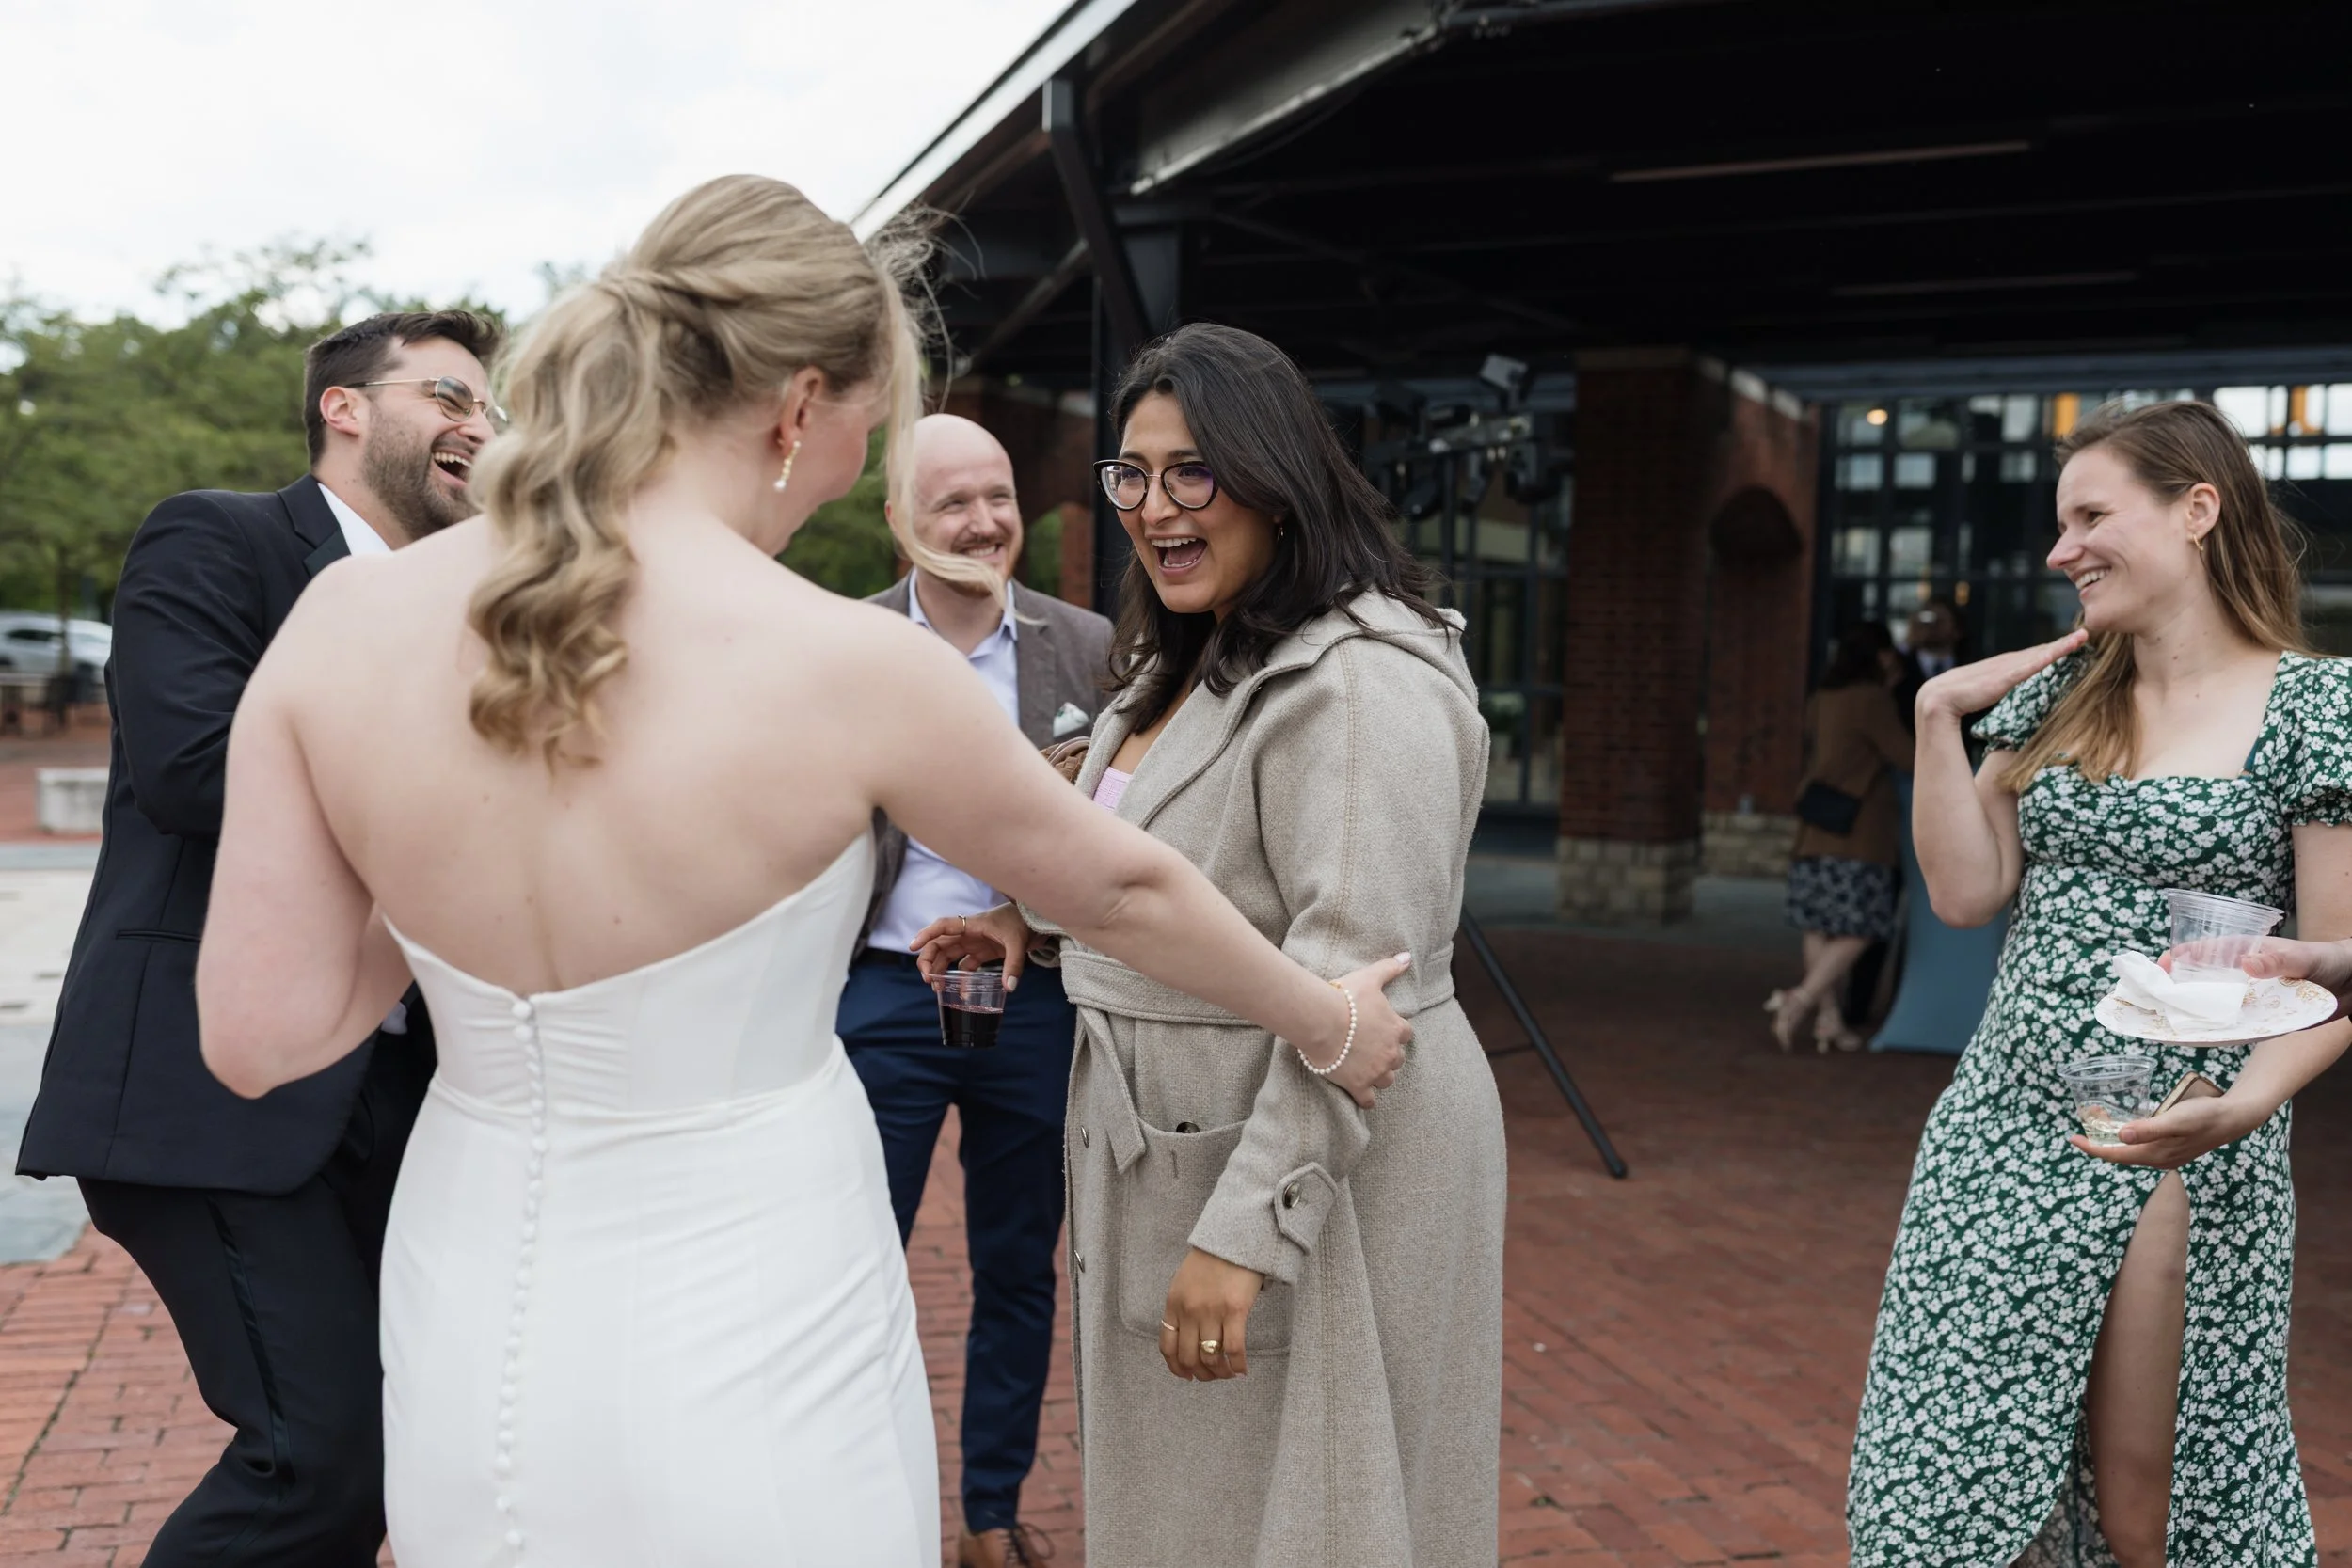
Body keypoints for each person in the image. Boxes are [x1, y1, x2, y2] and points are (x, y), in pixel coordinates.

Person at [190, 176, 1410, 1568]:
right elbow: (1119, 889)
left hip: (467, 1277)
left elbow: (256, 1037)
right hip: (752, 1279)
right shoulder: (848, 663)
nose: (853, 465)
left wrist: (451, 877)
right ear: (796, 406)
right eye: (866, 429)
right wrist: (1331, 1019)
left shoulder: (345, 615)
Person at [914, 322, 1507, 1568]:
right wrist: (1029, 920)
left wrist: (1247, 1230)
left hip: (1302, 1158)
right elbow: (1161, 854)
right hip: (1180, 1131)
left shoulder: (1360, 683)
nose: (1152, 504)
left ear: (1278, 474)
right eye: (1131, 473)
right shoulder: (1186, 655)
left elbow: (1361, 1005)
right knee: (1206, 1507)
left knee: (1311, 1509)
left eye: (1194, 470)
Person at [12, 309, 499, 1566]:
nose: (479, 426)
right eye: (450, 393)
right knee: (317, 1460)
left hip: (401, 1088)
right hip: (210, 1090)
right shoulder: (213, 537)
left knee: (399, 1451)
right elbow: (191, 766)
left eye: (491, 411)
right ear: (346, 406)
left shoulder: (478, 600)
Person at [1847, 400, 2352, 1567]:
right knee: (1951, 1472)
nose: (2059, 550)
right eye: (2056, 522)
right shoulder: (2064, 690)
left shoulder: (2317, 710)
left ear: (2195, 509)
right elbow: (1967, 892)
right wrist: (1934, 717)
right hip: (2002, 1123)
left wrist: (2245, 1106)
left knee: (2149, 1504)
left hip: (2171, 1137)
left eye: (2088, 516)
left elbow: (2335, 973)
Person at [839, 411, 1112, 1568]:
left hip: (1036, 996)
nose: (984, 520)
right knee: (854, 1264)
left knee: (1018, 1261)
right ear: (901, 520)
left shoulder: (1090, 647)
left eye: (997, 494)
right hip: (883, 999)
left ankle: (989, 1514)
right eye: (952, 500)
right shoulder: (841, 647)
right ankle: (863, 1508)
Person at [1770, 620, 1914, 1053]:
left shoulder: (1823, 697)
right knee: (1863, 927)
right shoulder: (1871, 699)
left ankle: (1828, 1023)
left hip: (1815, 826)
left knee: (1819, 926)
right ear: (1881, 658)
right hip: (1858, 833)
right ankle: (1802, 999)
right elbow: (1907, 755)